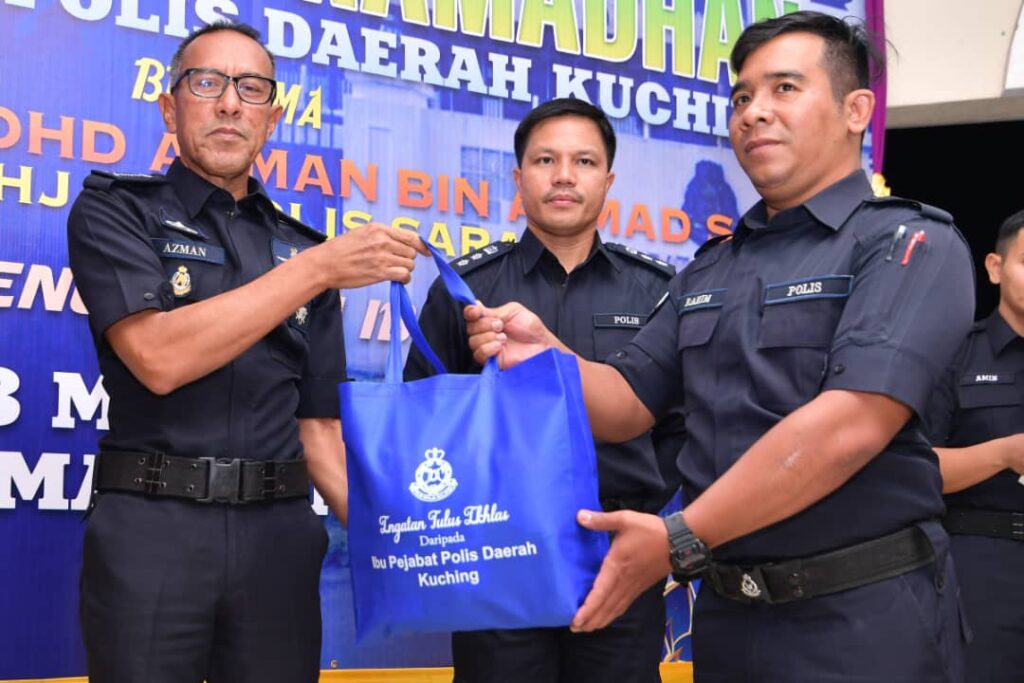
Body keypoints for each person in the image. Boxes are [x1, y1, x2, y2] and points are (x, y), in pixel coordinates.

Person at [464, 11, 975, 681]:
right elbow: (627, 401)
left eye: (784, 88)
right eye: (741, 97)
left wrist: (679, 536)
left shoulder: (909, 243)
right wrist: (546, 357)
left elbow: (849, 425)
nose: (754, 112)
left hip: (862, 618)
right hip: (730, 618)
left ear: (856, 110)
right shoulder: (711, 268)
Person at [66, 21, 426, 683]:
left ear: (272, 118)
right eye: (208, 83)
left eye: (252, 88)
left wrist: (413, 541)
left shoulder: (301, 247)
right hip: (152, 530)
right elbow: (157, 357)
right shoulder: (115, 211)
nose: (230, 103)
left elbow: (319, 432)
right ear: (170, 108)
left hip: (278, 541)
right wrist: (318, 270)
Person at [405, 98, 684, 683]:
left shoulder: (656, 291)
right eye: (545, 160)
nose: (563, 176)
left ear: (608, 180)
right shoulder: (465, 290)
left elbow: (679, 426)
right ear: (518, 177)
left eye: (584, 161)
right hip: (497, 559)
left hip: (617, 558)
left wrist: (631, 501)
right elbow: (422, 420)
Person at [926, 208, 1024, 683]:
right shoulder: (955, 352)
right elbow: (912, 466)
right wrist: (1004, 454)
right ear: (995, 267)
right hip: (983, 567)